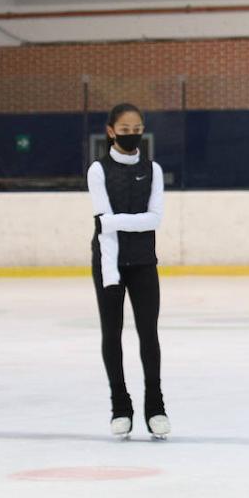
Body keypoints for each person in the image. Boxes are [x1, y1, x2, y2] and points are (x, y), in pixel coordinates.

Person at [87, 103, 171, 440]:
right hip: (109, 262)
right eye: (124, 129)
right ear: (111, 131)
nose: (132, 133)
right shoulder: (98, 169)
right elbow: (104, 228)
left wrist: (115, 221)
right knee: (112, 333)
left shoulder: (153, 169)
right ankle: (120, 407)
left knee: (148, 334)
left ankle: (156, 407)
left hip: (144, 263)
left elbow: (154, 220)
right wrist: (121, 226)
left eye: (137, 127)